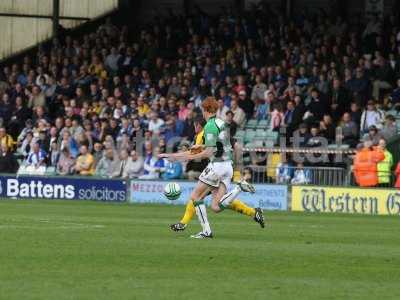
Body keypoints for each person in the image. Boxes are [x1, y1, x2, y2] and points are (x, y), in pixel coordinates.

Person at [160, 97, 264, 238]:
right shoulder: (222, 122)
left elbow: (208, 153)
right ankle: (240, 189)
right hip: (228, 167)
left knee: (195, 196)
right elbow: (224, 144)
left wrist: (177, 156)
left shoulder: (209, 126)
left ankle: (206, 230)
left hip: (217, 166)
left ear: (206, 110)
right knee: (215, 207)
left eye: (203, 110)